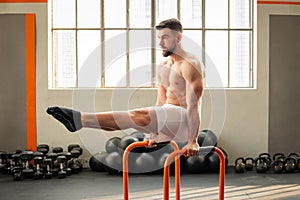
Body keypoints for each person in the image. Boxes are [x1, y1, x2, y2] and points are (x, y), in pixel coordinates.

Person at [47, 18, 205, 157]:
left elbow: (194, 106)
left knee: (139, 115)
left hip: (184, 121)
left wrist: (193, 141)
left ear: (178, 38)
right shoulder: (163, 67)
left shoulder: (190, 64)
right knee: (132, 120)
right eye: (159, 38)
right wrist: (152, 133)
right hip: (167, 119)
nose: (160, 43)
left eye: (165, 37)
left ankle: (80, 118)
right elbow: (161, 102)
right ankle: (80, 122)